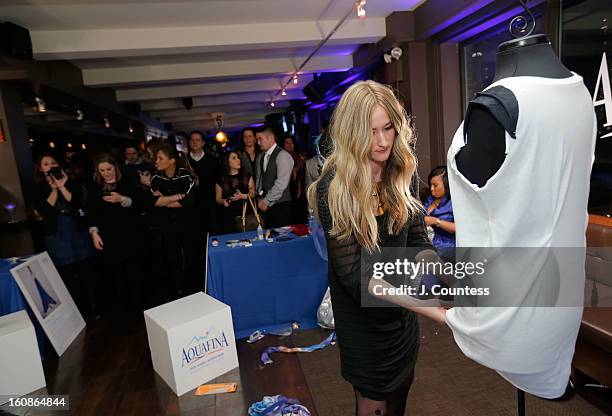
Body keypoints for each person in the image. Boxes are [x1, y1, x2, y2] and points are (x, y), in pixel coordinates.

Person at [308, 80, 444, 416]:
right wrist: (434, 310)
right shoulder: (334, 189)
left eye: (389, 129)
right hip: (364, 326)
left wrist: (441, 279)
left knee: (400, 399)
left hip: (402, 319)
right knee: (375, 402)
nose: (383, 141)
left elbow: (417, 240)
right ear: (352, 133)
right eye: (372, 132)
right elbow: (357, 276)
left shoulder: (402, 172)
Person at [32, 154, 98, 321]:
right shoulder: (37, 187)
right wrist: (54, 189)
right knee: (66, 274)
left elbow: (76, 203)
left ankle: (92, 308)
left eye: (53, 162)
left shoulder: (70, 182)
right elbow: (45, 211)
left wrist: (62, 186)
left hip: (76, 231)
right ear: (40, 169)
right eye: (45, 164)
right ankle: (75, 312)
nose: (50, 166)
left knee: (86, 272)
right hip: (57, 235)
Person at [88, 154, 147, 318]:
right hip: (109, 237)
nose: (106, 173)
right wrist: (94, 233)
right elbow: (92, 213)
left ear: (115, 167)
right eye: (102, 170)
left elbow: (140, 203)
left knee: (134, 272)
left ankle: (139, 307)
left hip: (130, 235)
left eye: (108, 169)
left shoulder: (126, 182)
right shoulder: (95, 188)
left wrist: (122, 199)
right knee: (117, 274)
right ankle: (124, 308)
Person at [149, 144, 197, 300]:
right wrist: (177, 197)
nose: (156, 161)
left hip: (187, 223)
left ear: (172, 161)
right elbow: (154, 202)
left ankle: (195, 289)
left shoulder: (186, 176)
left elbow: (188, 202)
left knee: (191, 256)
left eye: (160, 158)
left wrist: (164, 200)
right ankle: (178, 290)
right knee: (172, 258)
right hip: (167, 225)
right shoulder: (156, 178)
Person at [255, 126, 294, 228]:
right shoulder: (262, 156)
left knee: (281, 239)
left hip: (281, 206)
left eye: (260, 139)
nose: (258, 143)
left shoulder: (283, 155)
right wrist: (260, 198)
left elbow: (281, 184)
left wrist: (266, 201)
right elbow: (261, 180)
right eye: (257, 140)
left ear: (271, 138)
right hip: (266, 206)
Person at [215, 151, 256, 234]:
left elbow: (253, 193)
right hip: (228, 218)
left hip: (247, 217)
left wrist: (242, 196)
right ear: (227, 162)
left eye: (238, 157)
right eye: (234, 158)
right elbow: (218, 198)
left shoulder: (247, 176)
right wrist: (223, 201)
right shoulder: (221, 179)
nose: (238, 160)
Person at [423, 166, 455, 250]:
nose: (432, 189)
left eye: (435, 185)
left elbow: (459, 228)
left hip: (447, 247)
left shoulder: (453, 203)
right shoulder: (429, 200)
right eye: (430, 185)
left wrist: (436, 221)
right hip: (427, 244)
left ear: (446, 184)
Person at [283, 135, 307, 224]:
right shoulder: (280, 158)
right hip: (286, 193)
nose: (289, 145)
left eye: (291, 143)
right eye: (287, 143)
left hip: (299, 193)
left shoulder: (299, 158)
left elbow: (303, 176)